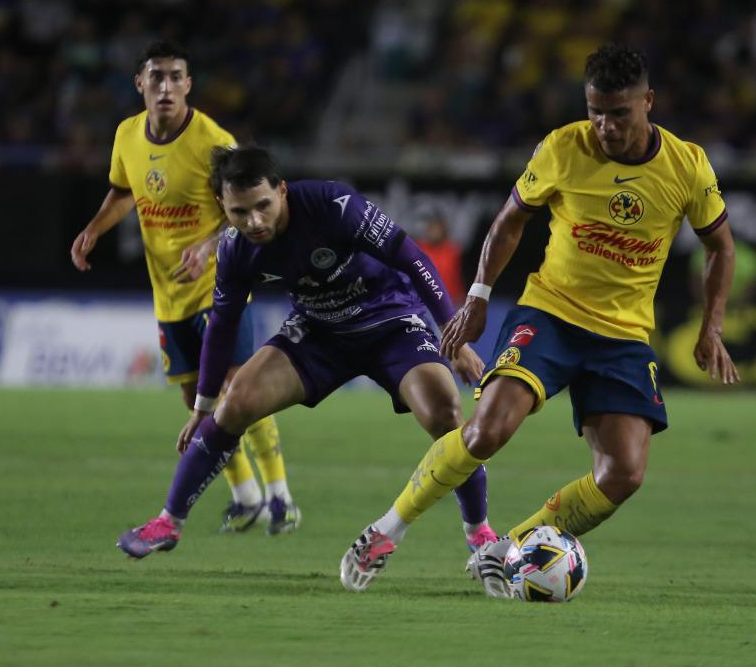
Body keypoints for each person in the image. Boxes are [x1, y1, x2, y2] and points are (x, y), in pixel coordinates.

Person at [341, 42, 738, 596]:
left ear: (648, 102)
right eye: (595, 110)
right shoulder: (562, 147)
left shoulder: (687, 165)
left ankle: (506, 550)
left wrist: (711, 326)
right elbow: (508, 223)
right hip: (551, 311)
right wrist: (478, 297)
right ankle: (387, 530)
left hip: (623, 335)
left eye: (619, 112)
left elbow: (720, 246)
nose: (604, 125)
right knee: (486, 431)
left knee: (622, 474)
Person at [114, 146, 499, 580]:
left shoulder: (333, 205)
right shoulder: (235, 249)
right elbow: (222, 325)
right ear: (223, 206)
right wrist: (203, 406)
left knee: (445, 412)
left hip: (390, 320)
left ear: (282, 190)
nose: (255, 221)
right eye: (240, 212)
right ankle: (169, 522)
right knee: (235, 402)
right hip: (320, 333)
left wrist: (454, 330)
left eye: (263, 205)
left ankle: (480, 534)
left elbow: (411, 256)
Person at [71, 41, 299, 534]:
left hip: (220, 288)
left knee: (241, 389)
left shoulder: (214, 141)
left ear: (189, 85)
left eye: (177, 77)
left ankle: (280, 495)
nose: (167, 87)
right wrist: (94, 229)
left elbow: (256, 209)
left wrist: (211, 245)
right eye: (157, 77)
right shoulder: (127, 135)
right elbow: (124, 189)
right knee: (196, 398)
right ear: (141, 85)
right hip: (168, 295)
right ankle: (246, 497)